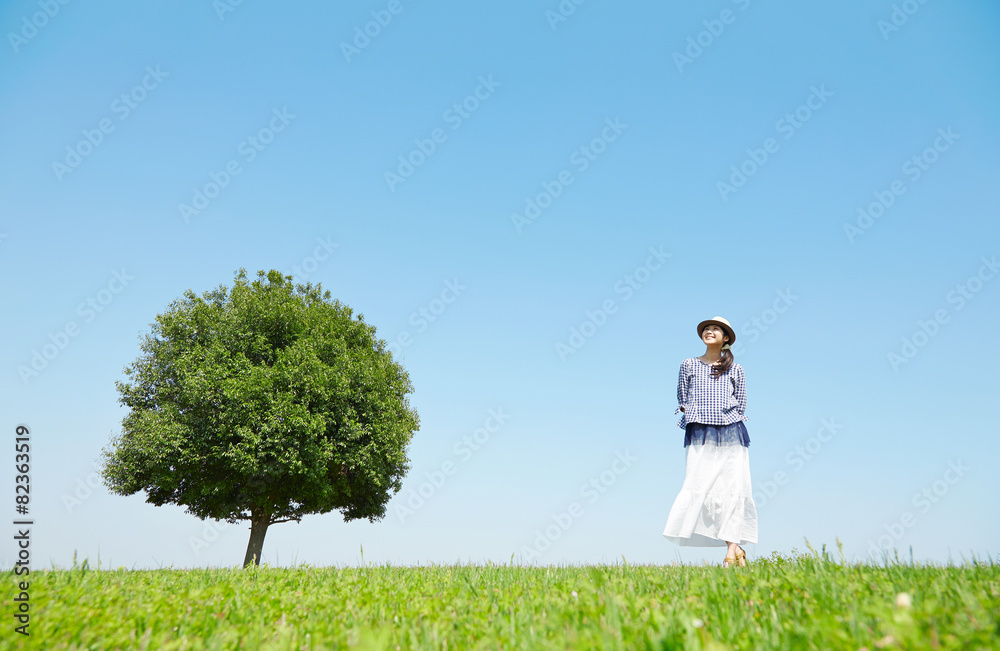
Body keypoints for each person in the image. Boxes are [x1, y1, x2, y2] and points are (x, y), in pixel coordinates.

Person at [662, 316, 758, 567]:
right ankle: (735, 551)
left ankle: (731, 549)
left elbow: (742, 401)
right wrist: (700, 415)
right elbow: (682, 396)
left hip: (731, 432)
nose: (709, 331)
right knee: (700, 484)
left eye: (716, 329)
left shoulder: (736, 369)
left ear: (726, 338)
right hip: (700, 432)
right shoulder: (689, 364)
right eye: (706, 328)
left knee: (733, 488)